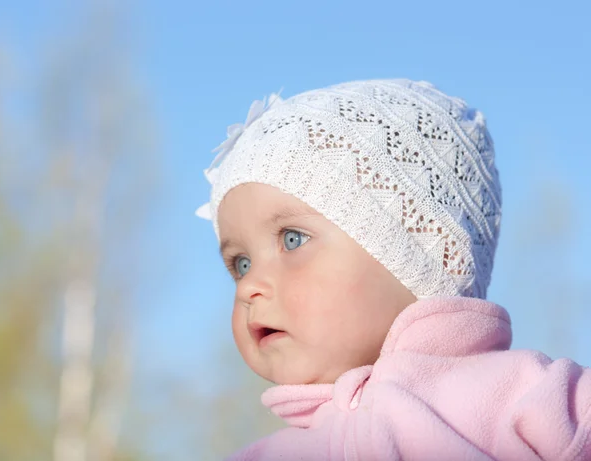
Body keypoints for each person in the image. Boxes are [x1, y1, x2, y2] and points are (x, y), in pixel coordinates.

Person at [195, 80, 591, 460]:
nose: (249, 287)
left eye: (293, 239)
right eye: (240, 264)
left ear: (426, 248)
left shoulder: (531, 398)